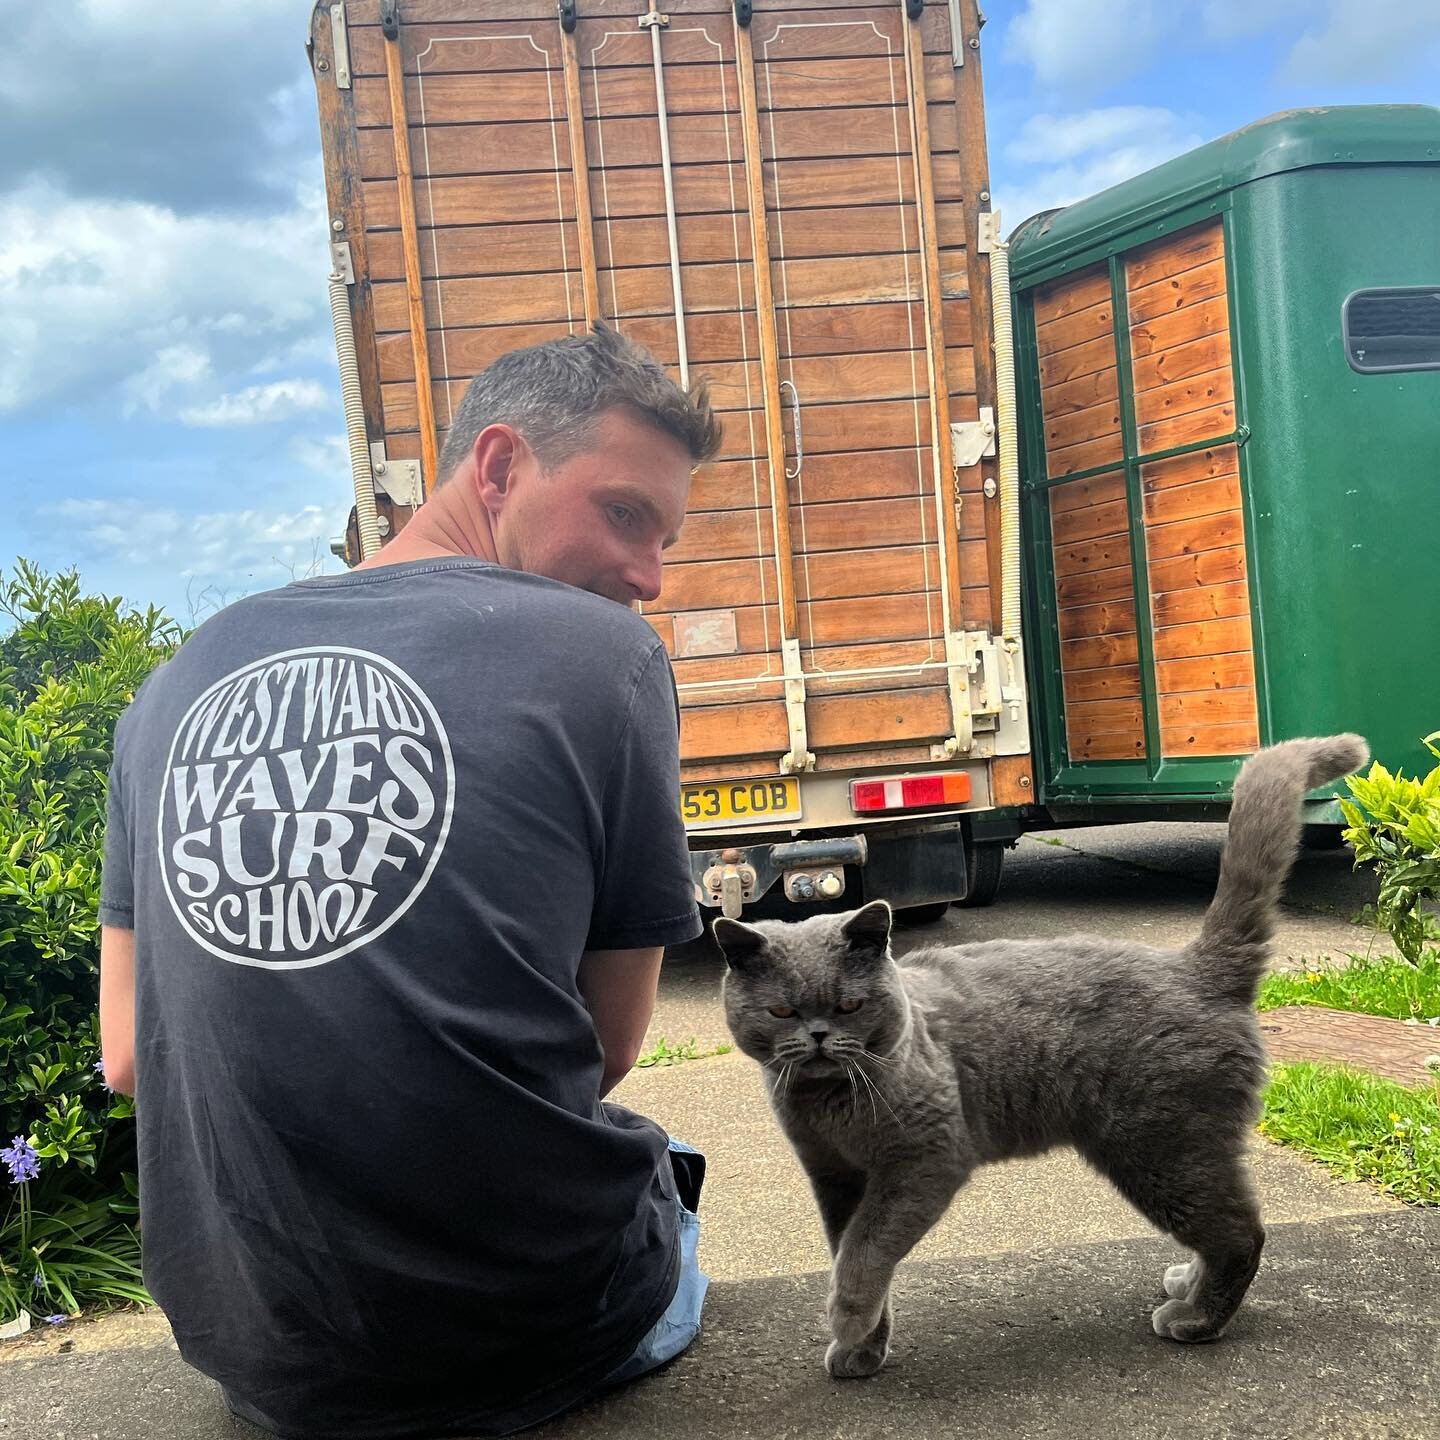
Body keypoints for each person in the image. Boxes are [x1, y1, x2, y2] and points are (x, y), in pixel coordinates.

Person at [97, 324, 723, 1438]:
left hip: (260, 1352)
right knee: (665, 1177)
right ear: (497, 466)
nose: (649, 576)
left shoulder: (174, 681)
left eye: (663, 538)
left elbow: (130, 1057)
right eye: (625, 514)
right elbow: (605, 1049)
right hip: (524, 1332)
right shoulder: (606, 656)